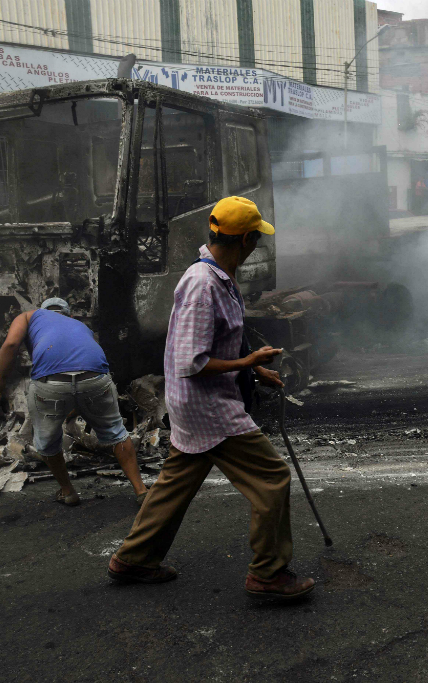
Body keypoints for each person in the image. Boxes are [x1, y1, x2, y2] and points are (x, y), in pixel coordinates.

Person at [108, 196, 315, 600]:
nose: (257, 244)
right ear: (247, 240)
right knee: (272, 478)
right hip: (207, 405)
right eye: (257, 237)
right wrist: (250, 359)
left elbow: (221, 342)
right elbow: (191, 361)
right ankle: (268, 574)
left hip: (196, 402)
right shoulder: (204, 285)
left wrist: (254, 368)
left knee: (176, 481)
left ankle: (133, 559)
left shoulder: (219, 276)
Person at [0, 297, 148, 505]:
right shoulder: (80, 325)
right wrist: (77, 406)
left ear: (42, 311)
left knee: (47, 441)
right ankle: (141, 491)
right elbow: (79, 367)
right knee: (116, 433)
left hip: (50, 384)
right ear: (69, 315)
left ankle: (68, 492)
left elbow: (11, 344)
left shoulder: (29, 316)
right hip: (96, 378)